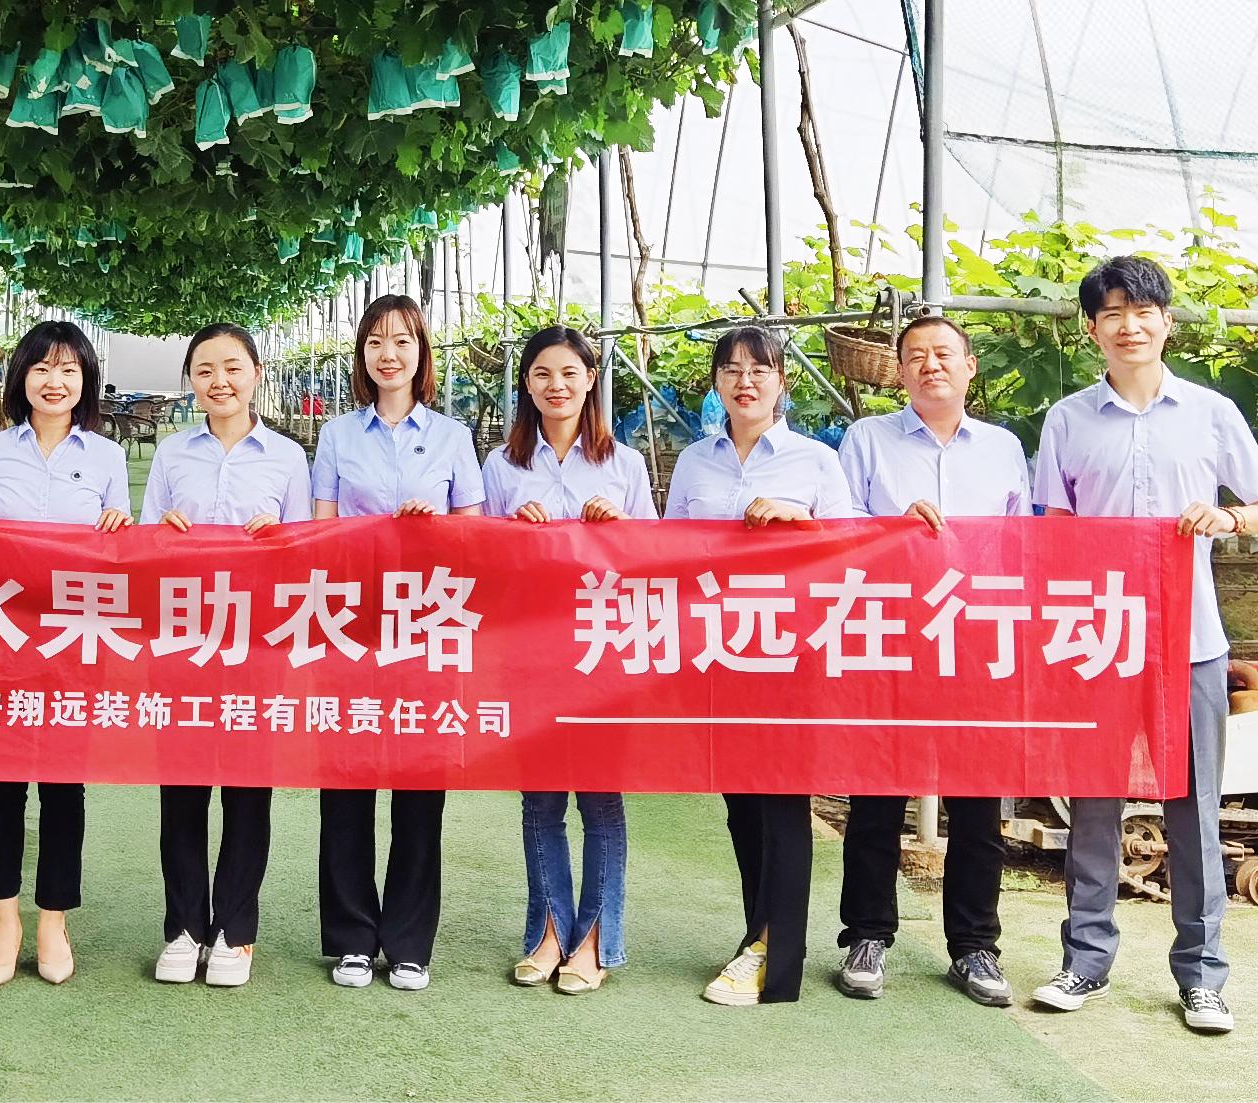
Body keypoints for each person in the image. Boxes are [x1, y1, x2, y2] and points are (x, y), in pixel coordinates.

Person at [1028, 256, 1258, 1036]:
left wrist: (1226, 518)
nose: (1128, 325)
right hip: (1099, 641)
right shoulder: (1066, 419)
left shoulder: (1210, 413)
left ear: (1166, 321)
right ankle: (1084, 960)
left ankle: (1202, 977)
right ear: (1091, 328)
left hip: (1190, 643)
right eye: (1111, 313)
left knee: (1193, 807)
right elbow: (1052, 530)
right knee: (1093, 803)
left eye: (1142, 311)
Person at [830, 314, 1029, 1009]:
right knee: (876, 795)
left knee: (978, 801)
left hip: (976, 638)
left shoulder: (1003, 448)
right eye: (914, 355)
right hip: (888, 634)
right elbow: (837, 531)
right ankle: (866, 934)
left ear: (969, 366)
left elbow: (1022, 545)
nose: (929, 364)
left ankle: (974, 945)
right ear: (899, 370)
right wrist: (891, 529)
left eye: (943, 353)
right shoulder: (867, 439)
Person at [664, 324, 853, 1008]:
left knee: (783, 803)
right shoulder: (694, 461)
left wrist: (800, 521)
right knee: (741, 804)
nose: (745, 381)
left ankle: (776, 955)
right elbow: (668, 551)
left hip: (789, 653)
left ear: (782, 381)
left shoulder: (815, 461)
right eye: (731, 369)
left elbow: (854, 551)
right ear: (715, 382)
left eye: (759, 369)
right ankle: (760, 936)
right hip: (718, 652)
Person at [306, 295, 482, 993]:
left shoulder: (452, 437)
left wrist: (433, 526)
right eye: (376, 340)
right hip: (349, 626)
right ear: (362, 354)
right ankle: (351, 937)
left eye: (402, 340)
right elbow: (321, 533)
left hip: (426, 626)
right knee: (346, 785)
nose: (389, 354)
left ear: (421, 353)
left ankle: (409, 942)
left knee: (418, 790)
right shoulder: (336, 435)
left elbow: (475, 536)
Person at [0, 320, 132, 988]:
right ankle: (4, 920)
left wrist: (119, 530)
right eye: (41, 368)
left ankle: (53, 920)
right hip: (1, 637)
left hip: (76, 638)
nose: (54, 381)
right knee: (0, 781)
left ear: (85, 380)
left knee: (64, 784)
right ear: (21, 377)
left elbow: (123, 553)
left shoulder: (107, 457)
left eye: (68, 369)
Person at [480, 326, 656, 996]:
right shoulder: (502, 465)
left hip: (603, 650)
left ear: (590, 381)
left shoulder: (624, 464)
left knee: (601, 799)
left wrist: (620, 528)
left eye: (569, 373)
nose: (556, 385)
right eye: (542, 374)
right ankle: (548, 933)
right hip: (529, 652)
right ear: (526, 385)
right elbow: (479, 563)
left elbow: (656, 559)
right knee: (541, 800)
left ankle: (595, 942)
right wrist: (509, 533)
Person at [139, 322, 311, 988]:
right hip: (182, 640)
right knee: (181, 790)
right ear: (190, 380)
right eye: (205, 369)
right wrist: (163, 532)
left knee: (246, 791)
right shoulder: (171, 453)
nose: (220, 381)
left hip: (257, 641)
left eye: (232, 367)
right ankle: (183, 927)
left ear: (256, 374)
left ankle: (235, 932)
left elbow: (306, 557)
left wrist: (280, 540)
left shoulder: (287, 457)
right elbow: (146, 548)